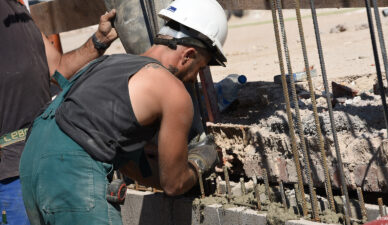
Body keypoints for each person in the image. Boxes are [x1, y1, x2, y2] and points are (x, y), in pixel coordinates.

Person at [19, 0, 227, 224]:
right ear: (188, 55)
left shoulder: (108, 65)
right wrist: (198, 165)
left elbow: (126, 162)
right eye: (201, 67)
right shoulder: (172, 90)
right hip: (72, 171)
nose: (196, 77)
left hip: (32, 166)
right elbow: (174, 184)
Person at [0, 0, 118, 224]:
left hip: (46, 159)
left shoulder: (19, 14)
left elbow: (59, 69)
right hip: (9, 176)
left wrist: (98, 41)